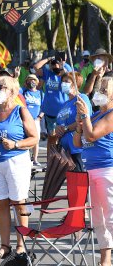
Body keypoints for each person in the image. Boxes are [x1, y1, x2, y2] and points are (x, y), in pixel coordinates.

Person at [0, 76, 38, 259]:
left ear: (12, 91)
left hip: (15, 161)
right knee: (1, 204)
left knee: (19, 203)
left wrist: (16, 144)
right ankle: (5, 245)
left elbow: (34, 138)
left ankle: (21, 244)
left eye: (1, 87)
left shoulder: (20, 111)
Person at [74, 76, 113, 266]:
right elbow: (78, 142)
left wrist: (84, 118)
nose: (100, 92)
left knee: (111, 216)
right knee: (98, 218)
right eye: (99, 89)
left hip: (107, 169)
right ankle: (105, 259)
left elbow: (92, 134)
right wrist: (79, 125)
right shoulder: (95, 114)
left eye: (105, 90)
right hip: (91, 169)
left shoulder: (112, 114)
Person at [55, 71, 91, 172]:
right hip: (65, 149)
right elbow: (59, 122)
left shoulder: (82, 98)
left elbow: (85, 119)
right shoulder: (65, 103)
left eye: (66, 81)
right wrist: (57, 128)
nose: (63, 84)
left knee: (79, 179)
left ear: (75, 83)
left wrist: (66, 128)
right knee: (71, 181)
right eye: (62, 81)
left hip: (77, 147)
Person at [33, 51, 73, 136]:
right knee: (52, 136)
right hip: (49, 112)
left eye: (57, 63)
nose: (55, 66)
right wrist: (49, 59)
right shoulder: (48, 72)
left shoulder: (66, 68)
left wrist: (62, 66)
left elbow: (70, 78)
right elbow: (36, 67)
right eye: (53, 64)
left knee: (62, 136)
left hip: (63, 111)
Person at [23, 74, 44, 166]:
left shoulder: (40, 93)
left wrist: (40, 117)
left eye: (34, 80)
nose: (32, 82)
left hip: (36, 120)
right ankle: (27, 159)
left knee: (36, 139)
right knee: (26, 139)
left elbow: (44, 106)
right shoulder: (24, 92)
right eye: (30, 80)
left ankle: (35, 159)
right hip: (25, 119)